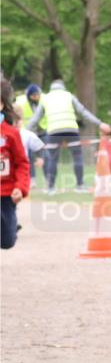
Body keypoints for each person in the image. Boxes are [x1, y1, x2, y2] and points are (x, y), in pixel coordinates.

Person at [26, 79, 111, 194]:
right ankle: (80, 185)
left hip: (54, 131)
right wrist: (100, 123)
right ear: (63, 87)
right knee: (77, 156)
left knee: (52, 158)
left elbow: (35, 118)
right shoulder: (69, 96)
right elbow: (83, 112)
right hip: (71, 129)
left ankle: (51, 188)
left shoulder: (45, 98)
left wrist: (23, 131)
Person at [1, 79, 30, 249]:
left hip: (6, 193)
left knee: (7, 241)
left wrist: (20, 187)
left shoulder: (11, 134)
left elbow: (22, 163)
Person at [15, 84, 46, 182]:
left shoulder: (44, 99)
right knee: (29, 155)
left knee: (45, 154)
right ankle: (32, 179)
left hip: (42, 130)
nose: (36, 97)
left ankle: (48, 179)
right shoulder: (21, 101)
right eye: (34, 95)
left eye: (38, 95)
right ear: (29, 95)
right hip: (27, 131)